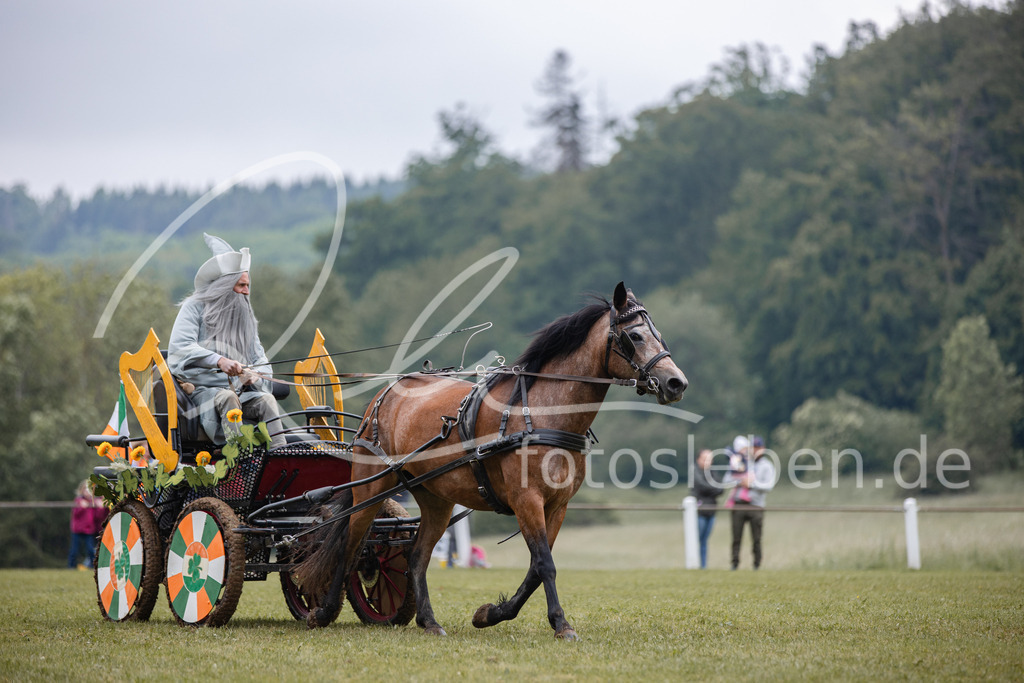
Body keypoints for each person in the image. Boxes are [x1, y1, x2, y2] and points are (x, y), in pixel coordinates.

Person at [168, 233, 286, 450]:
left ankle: (281, 458)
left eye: (248, 285)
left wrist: (256, 376)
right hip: (203, 393)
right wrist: (219, 361)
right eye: (241, 285)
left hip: (243, 393)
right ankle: (238, 460)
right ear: (224, 285)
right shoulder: (193, 307)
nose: (247, 292)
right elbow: (179, 349)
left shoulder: (245, 318)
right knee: (227, 397)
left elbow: (262, 362)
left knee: (267, 400)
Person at [727, 435, 775, 570]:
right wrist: (739, 480)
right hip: (739, 504)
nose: (754, 450)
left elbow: (769, 486)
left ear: (763, 448)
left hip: (756, 505)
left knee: (756, 538)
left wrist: (752, 484)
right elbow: (729, 477)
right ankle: (734, 563)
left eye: (757, 448)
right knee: (736, 537)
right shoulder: (743, 461)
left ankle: (756, 564)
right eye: (753, 448)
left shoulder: (767, 466)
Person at [690, 448, 724, 569]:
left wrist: (712, 488)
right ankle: (693, 564)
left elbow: (721, 489)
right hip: (699, 512)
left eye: (709, 459)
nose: (707, 462)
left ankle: (703, 566)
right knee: (697, 539)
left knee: (704, 540)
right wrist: (713, 488)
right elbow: (701, 486)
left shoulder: (713, 473)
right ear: (698, 459)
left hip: (712, 511)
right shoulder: (694, 471)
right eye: (704, 459)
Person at [68, 479, 106, 569]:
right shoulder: (78, 500)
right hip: (77, 530)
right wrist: (81, 507)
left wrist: (100, 508)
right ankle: (71, 567)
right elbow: (75, 514)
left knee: (90, 550)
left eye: (90, 490)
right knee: (74, 550)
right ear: (82, 491)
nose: (88, 492)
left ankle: (93, 567)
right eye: (86, 490)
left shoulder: (93, 502)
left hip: (89, 530)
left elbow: (98, 517)